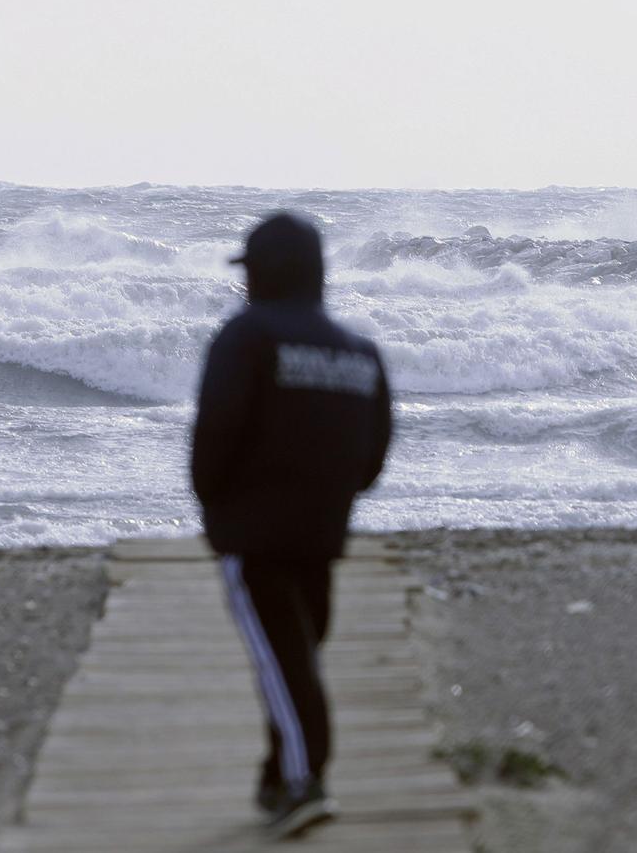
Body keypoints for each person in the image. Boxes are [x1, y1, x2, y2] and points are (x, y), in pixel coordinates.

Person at [191, 212, 394, 839]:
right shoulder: (358, 352)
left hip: (254, 534)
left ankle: (306, 783)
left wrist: (214, 505)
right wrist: (332, 498)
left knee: (283, 660)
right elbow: (373, 452)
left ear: (264, 275)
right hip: (323, 531)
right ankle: (279, 772)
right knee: (296, 657)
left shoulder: (247, 337)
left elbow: (216, 431)